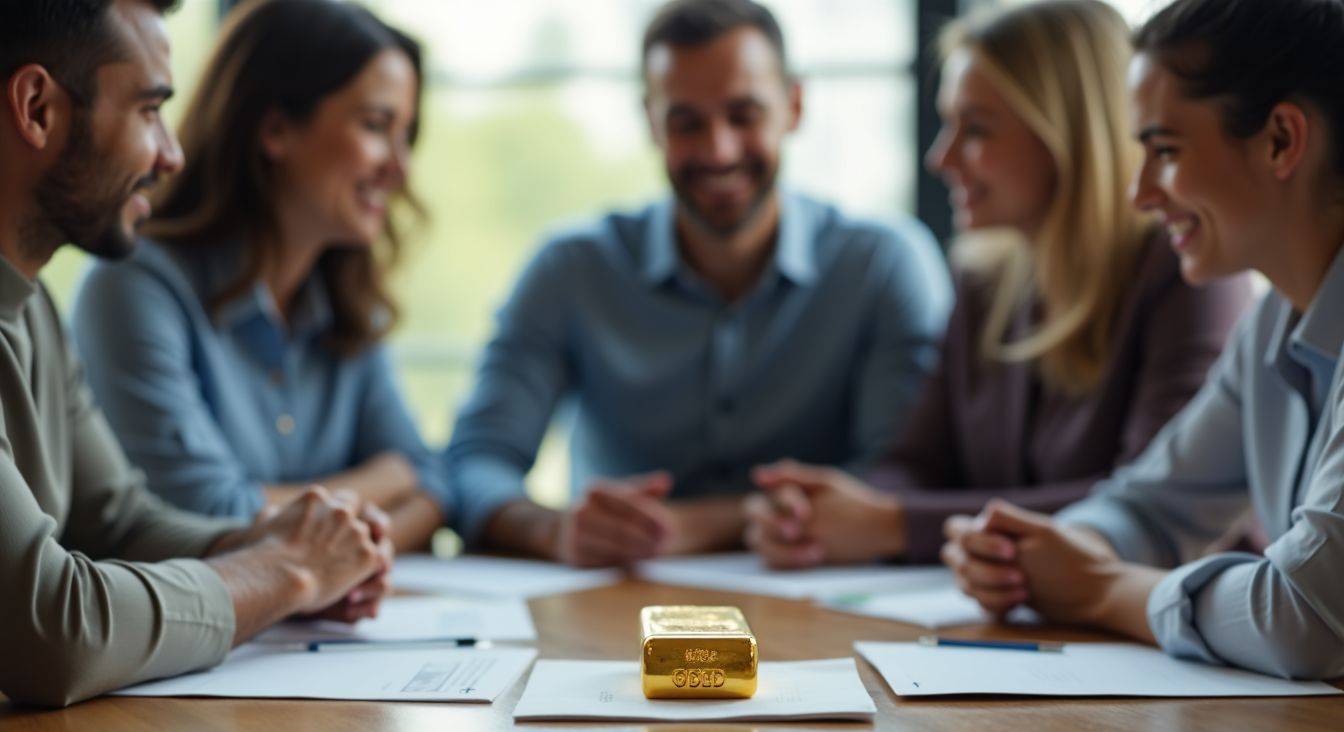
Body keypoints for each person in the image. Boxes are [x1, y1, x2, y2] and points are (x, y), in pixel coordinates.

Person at [743, 0, 1252, 568]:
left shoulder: (1188, 271)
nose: (942, 157)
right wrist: (819, 513)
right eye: (947, 123)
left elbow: (1157, 507)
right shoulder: (985, 278)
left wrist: (893, 524)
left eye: (977, 129)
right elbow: (919, 460)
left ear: (1070, 135)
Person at [445, 0, 952, 567]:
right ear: (650, 121)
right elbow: (474, 463)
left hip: (823, 606)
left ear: (795, 105)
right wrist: (553, 531)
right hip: (611, 612)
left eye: (744, 115)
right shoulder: (571, 267)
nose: (718, 150)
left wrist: (698, 526)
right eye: (687, 122)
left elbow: (902, 479)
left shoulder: (883, 263)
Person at [0, 0, 392, 707]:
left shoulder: (32, 311)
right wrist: (283, 572)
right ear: (36, 109)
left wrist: (269, 538)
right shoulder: (124, 290)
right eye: (149, 110)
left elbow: (116, 522)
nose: (172, 154)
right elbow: (51, 630)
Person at [944, 0, 1344, 680]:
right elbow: (1154, 503)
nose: (1139, 194)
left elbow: (1305, 616)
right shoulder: (1274, 321)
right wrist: (1048, 551)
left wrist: (1100, 589)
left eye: (1164, 151)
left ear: (1280, 140)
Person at [71, 0, 448, 554]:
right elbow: (210, 515)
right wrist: (384, 482)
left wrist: (352, 550)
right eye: (375, 126)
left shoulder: (344, 304)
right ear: (275, 130)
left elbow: (436, 484)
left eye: (405, 135)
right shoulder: (132, 287)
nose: (400, 166)